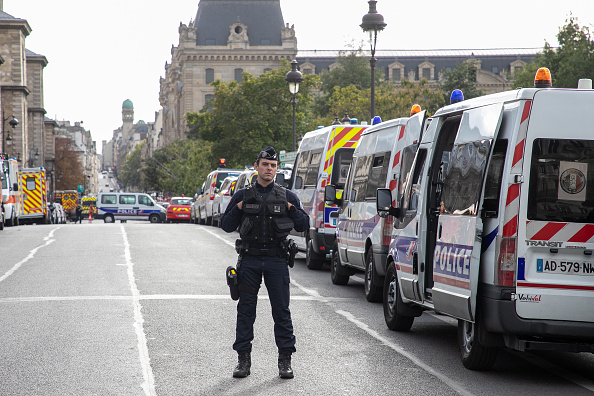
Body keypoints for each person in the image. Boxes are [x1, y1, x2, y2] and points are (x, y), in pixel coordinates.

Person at [221, 146, 308, 379]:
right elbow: (226, 224)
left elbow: (303, 224)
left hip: (276, 260)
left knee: (281, 311)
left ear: (277, 168)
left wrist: (291, 209)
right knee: (246, 311)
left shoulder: (288, 196)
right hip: (249, 260)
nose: (269, 169)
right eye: (265, 165)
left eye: (273, 165)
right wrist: (239, 207)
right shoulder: (243, 195)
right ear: (257, 166)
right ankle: (243, 361)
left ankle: (285, 361)